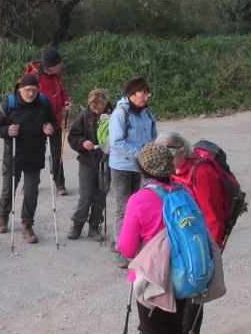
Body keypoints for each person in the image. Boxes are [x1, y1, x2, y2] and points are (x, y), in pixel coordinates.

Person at [118, 142, 185, 334]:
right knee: (174, 329)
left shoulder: (140, 200)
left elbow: (126, 247)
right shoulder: (183, 192)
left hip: (152, 277)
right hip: (182, 274)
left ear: (143, 169)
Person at [160, 131, 231, 334]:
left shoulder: (202, 172)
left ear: (180, 151)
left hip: (200, 244)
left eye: (167, 156)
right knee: (187, 292)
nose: (164, 162)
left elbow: (213, 216)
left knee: (194, 292)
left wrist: (209, 254)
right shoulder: (175, 170)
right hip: (184, 243)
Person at [0, 73, 56, 244]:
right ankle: (3, 214)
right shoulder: (10, 103)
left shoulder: (43, 103)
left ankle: (27, 224)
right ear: (20, 89)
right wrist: (7, 131)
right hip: (13, 154)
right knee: (9, 188)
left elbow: (53, 122)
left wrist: (50, 128)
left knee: (31, 192)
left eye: (34, 90)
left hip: (35, 154)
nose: (31, 94)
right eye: (27, 90)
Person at [108, 76, 158, 267]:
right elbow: (117, 143)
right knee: (123, 207)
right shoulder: (120, 114)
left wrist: (151, 150)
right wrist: (140, 154)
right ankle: (121, 249)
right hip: (121, 167)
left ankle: (123, 240)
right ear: (132, 94)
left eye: (147, 93)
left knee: (136, 206)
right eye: (142, 93)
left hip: (139, 167)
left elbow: (152, 134)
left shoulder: (146, 113)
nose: (146, 97)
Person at [66, 88, 111, 241]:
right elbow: (73, 136)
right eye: (94, 108)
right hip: (87, 160)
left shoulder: (113, 115)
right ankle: (77, 224)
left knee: (101, 194)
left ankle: (94, 226)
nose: (97, 111)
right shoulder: (84, 115)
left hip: (106, 160)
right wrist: (82, 142)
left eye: (100, 108)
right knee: (86, 195)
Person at [24, 48, 71, 195]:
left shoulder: (56, 76)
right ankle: (31, 183)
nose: (60, 66)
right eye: (58, 64)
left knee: (57, 153)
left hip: (55, 120)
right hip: (37, 123)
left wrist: (66, 102)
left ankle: (59, 184)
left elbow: (62, 92)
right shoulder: (34, 77)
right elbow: (25, 95)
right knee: (35, 152)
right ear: (50, 65)